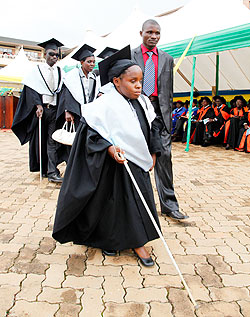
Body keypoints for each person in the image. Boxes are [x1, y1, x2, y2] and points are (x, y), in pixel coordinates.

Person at [52, 46, 162, 267]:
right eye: (132, 81)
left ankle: (137, 240)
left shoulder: (144, 103)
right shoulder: (102, 106)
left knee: (136, 202)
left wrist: (153, 152)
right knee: (112, 205)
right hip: (113, 166)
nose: (138, 85)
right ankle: (113, 240)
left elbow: (154, 128)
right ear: (116, 82)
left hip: (137, 163)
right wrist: (109, 149)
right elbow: (91, 135)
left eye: (140, 80)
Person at [131, 19, 188, 220]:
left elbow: (168, 91)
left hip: (160, 114)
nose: (154, 36)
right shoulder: (130, 55)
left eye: (157, 33)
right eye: (150, 32)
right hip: (137, 110)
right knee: (136, 158)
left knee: (165, 158)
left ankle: (169, 205)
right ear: (141, 33)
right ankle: (137, 206)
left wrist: (168, 116)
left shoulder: (167, 59)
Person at [12, 38, 65, 183]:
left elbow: (62, 92)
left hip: (54, 112)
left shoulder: (60, 72)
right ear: (44, 54)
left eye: (56, 55)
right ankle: (44, 169)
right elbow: (31, 89)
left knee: (52, 142)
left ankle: (53, 171)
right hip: (41, 112)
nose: (54, 57)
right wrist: (37, 104)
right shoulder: (36, 71)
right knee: (39, 142)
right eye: (51, 54)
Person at [57, 44, 99, 132]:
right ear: (81, 62)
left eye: (93, 62)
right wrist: (67, 111)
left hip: (89, 113)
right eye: (89, 62)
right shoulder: (72, 76)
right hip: (76, 112)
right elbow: (66, 95)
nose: (92, 64)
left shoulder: (94, 77)